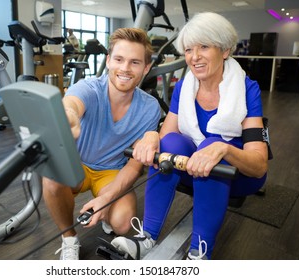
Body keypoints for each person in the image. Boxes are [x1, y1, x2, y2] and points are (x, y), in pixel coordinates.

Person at [111, 12, 269, 260]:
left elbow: (259, 166)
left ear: (225, 50)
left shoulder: (247, 89)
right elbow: (168, 136)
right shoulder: (185, 87)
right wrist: (152, 137)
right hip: (192, 168)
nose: (194, 57)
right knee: (171, 143)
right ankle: (147, 237)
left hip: (235, 173)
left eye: (204, 47)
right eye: (188, 50)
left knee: (214, 143)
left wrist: (223, 149)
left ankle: (199, 252)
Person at [42, 27, 161, 260]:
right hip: (77, 164)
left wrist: (106, 200)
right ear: (108, 61)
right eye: (119, 59)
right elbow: (72, 104)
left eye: (135, 62)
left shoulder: (150, 108)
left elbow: (135, 166)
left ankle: (106, 211)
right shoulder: (88, 88)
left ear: (146, 68)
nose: (125, 68)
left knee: (123, 224)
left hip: (111, 171)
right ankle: (69, 238)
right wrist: (69, 116)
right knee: (51, 176)